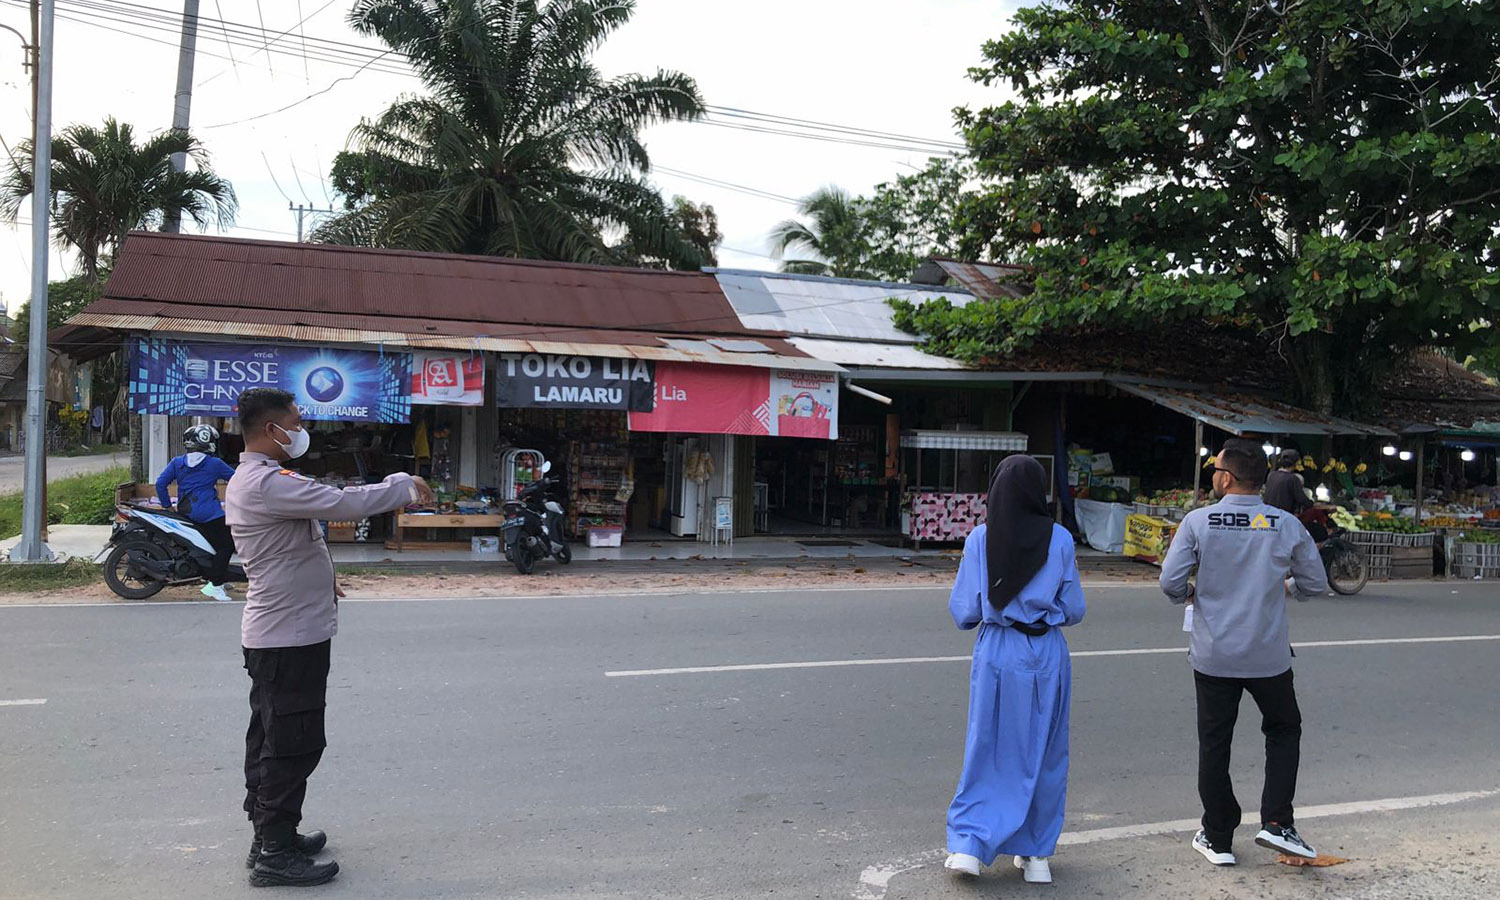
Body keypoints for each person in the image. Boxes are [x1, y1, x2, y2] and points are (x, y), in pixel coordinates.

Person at [226, 388, 434, 888]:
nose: (301, 431)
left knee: (273, 738)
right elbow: (343, 502)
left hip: (283, 631)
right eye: (296, 422)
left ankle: (270, 835)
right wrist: (403, 484)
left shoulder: (260, 479)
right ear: (271, 429)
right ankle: (275, 853)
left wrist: (323, 580)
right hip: (288, 637)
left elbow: (290, 547)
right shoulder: (267, 483)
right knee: (291, 744)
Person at [1159, 438, 1330, 868]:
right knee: (1284, 729)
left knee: (1215, 742)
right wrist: (1285, 587)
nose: (1213, 476)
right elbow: (1315, 582)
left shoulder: (1199, 522)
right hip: (1268, 656)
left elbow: (1170, 582)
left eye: (1215, 469)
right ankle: (1277, 822)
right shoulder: (1285, 524)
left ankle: (1218, 837)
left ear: (1226, 478)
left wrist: (1189, 593)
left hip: (1214, 655)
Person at [944, 455, 1087, 884]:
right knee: (1044, 750)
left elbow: (964, 611)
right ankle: (1036, 855)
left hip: (999, 651)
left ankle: (970, 845)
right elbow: (1074, 609)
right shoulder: (1060, 539)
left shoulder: (980, 539)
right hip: (1046, 652)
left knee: (988, 746)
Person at [155, 424, 238, 602]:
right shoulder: (214, 464)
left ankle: (218, 576)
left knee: (210, 545)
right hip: (210, 514)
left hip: (185, 512)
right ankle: (215, 585)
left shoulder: (177, 462)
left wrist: (167, 506)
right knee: (227, 545)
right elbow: (238, 479)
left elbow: (160, 484)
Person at [1263, 448, 1311, 516]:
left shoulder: (1271, 475)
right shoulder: (1293, 479)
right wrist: (1312, 503)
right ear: (1296, 463)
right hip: (1283, 516)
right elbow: (1302, 500)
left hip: (1268, 514)